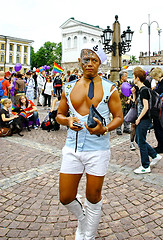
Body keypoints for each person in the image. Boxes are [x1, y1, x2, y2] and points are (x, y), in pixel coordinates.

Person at [56, 43, 123, 239]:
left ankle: (89, 234)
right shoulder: (68, 87)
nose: (90, 63)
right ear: (80, 61)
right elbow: (59, 114)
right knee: (66, 197)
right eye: (87, 59)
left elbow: (118, 117)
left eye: (95, 60)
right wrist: (67, 120)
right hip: (72, 148)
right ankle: (84, 220)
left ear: (100, 63)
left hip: (98, 150)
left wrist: (105, 129)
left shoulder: (110, 88)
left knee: (93, 197)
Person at [132, 67, 162, 174]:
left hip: (144, 119)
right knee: (138, 139)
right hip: (143, 119)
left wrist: (139, 118)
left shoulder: (144, 90)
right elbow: (137, 104)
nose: (133, 79)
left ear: (137, 78)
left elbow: (145, 107)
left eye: (134, 76)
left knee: (141, 141)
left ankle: (145, 165)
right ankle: (154, 155)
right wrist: (134, 94)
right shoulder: (140, 90)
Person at [150, 67, 163, 155]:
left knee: (159, 128)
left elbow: (158, 91)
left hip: (159, 109)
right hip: (160, 108)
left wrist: (153, 90)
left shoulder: (162, 82)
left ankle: (161, 146)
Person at [116, 70, 131, 135]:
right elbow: (116, 93)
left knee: (127, 116)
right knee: (119, 116)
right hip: (119, 103)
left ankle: (126, 128)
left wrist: (129, 99)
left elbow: (129, 92)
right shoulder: (117, 83)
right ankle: (118, 129)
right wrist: (122, 90)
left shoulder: (127, 83)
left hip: (126, 102)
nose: (127, 77)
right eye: (126, 76)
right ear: (122, 77)